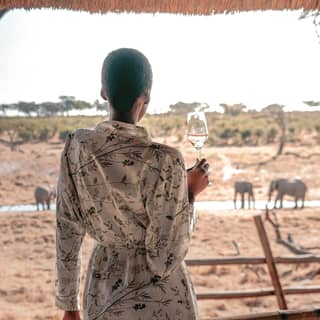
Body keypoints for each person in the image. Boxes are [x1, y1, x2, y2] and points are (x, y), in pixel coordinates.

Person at [55, 48, 210, 320]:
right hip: (162, 301)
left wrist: (69, 304)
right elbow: (164, 258)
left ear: (104, 91)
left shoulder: (76, 147)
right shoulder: (167, 160)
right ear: (147, 95)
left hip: (103, 293)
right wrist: (189, 193)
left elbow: (66, 228)